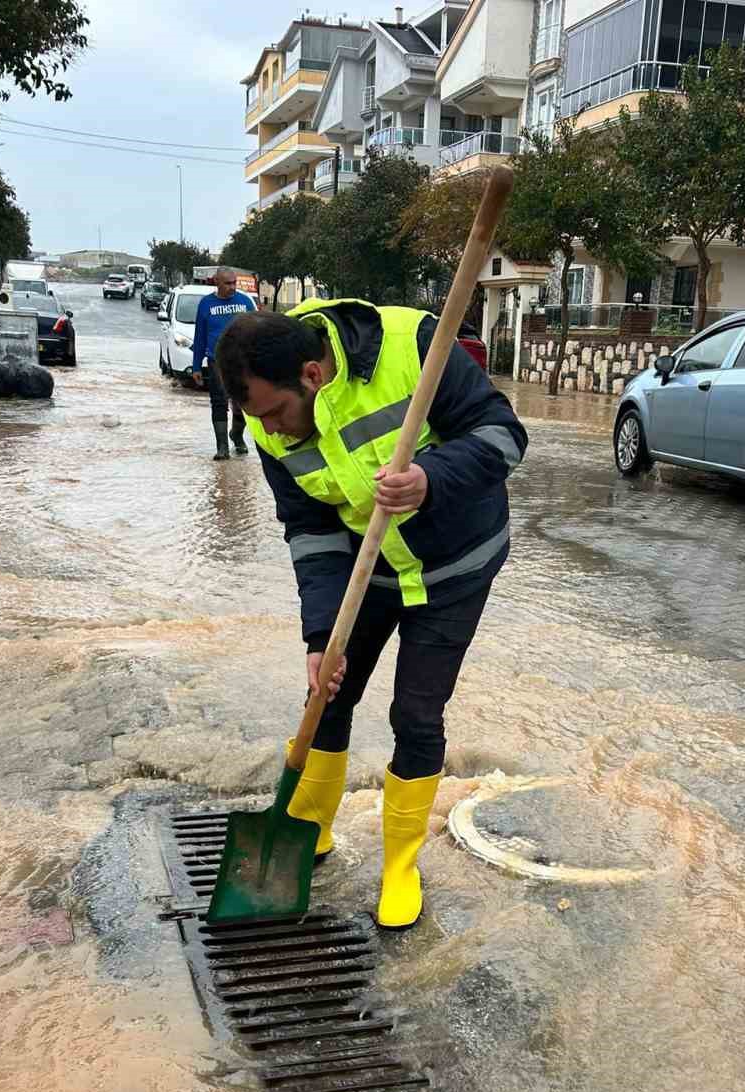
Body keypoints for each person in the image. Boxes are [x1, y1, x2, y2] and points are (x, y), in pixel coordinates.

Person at [216, 299, 527, 930]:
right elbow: (309, 532)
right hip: (369, 567)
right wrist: (320, 635)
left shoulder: (413, 345)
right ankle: (306, 829)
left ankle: (400, 867)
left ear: (311, 374)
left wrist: (430, 479)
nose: (270, 433)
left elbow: (504, 436)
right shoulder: (268, 426)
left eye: (274, 414)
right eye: (257, 420)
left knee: (415, 712)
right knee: (326, 692)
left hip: (454, 569)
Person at [191, 267, 256, 460]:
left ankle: (236, 434)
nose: (232, 287)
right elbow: (200, 337)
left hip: (242, 361)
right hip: (216, 361)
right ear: (216, 283)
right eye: (228, 283)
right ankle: (222, 447)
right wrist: (196, 366)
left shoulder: (245, 302)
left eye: (234, 283)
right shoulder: (206, 305)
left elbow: (257, 331)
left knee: (244, 402)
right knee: (219, 402)